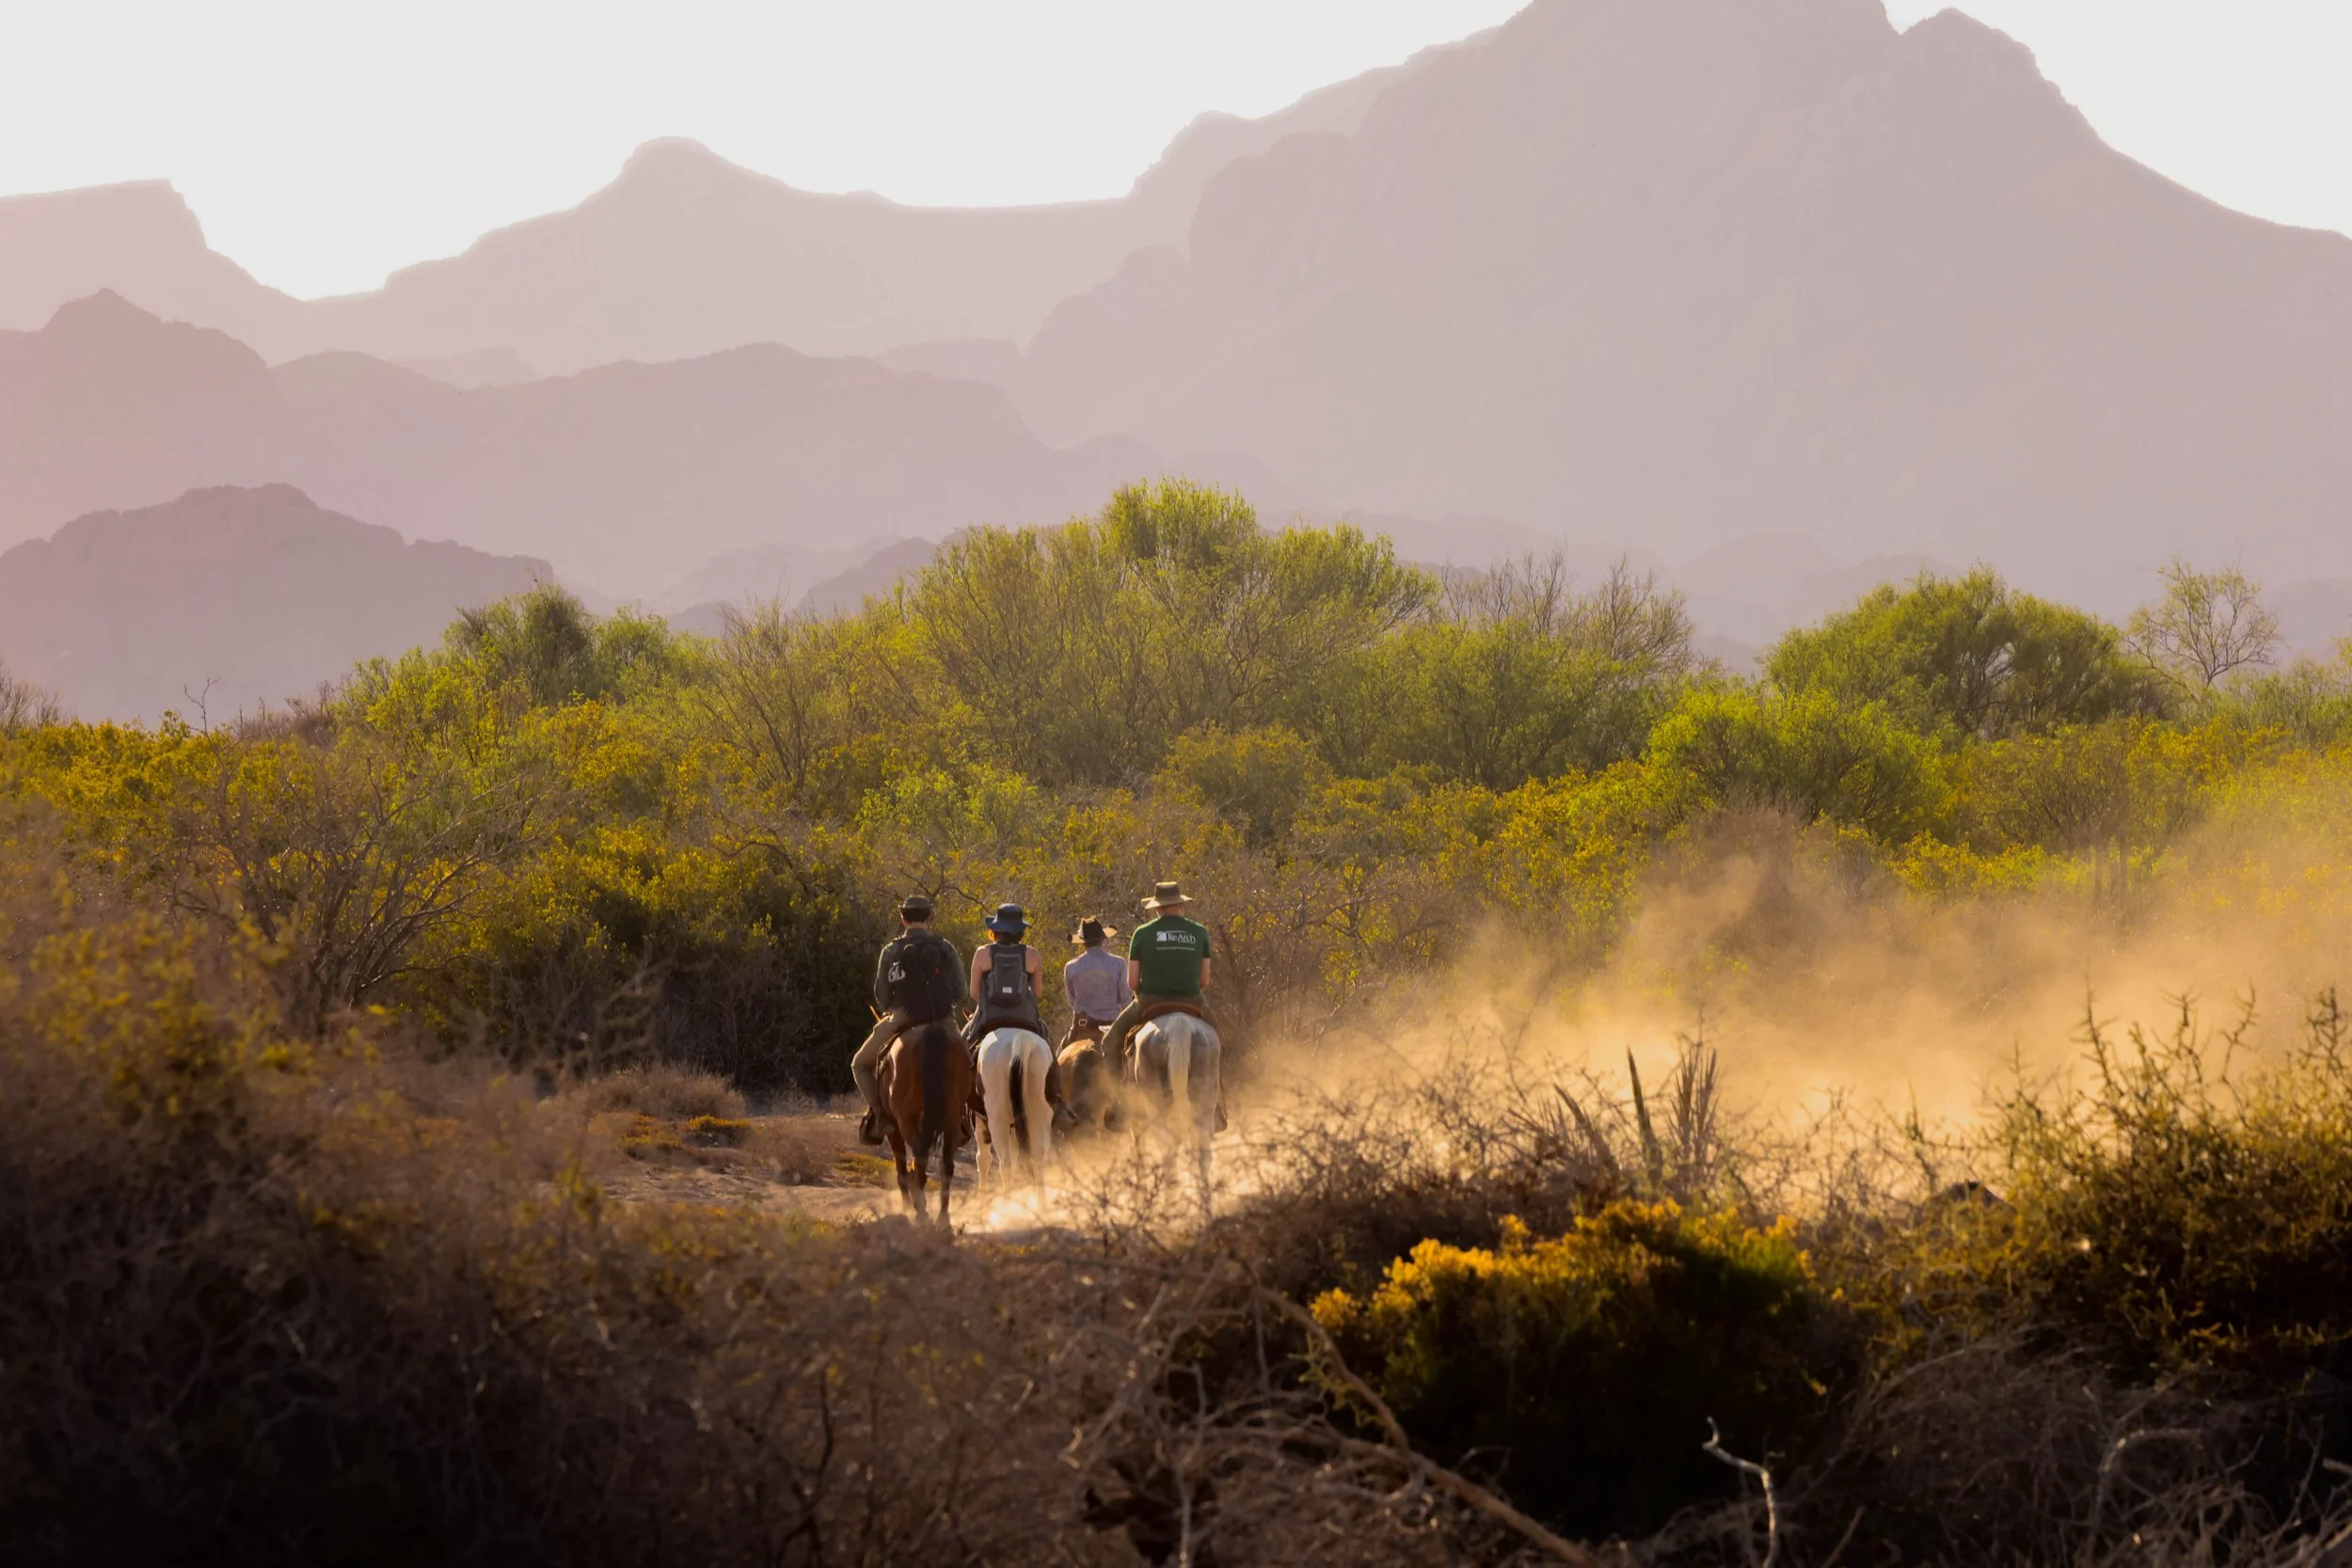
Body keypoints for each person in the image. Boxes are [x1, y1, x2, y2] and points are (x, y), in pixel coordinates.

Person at [851, 893, 967, 1146]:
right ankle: (959, 1120)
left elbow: (882, 997)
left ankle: (880, 1116)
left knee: (859, 1064)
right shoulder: (946, 947)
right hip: (943, 1018)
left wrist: (896, 1009)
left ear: (903, 919)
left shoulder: (891, 950)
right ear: (930, 918)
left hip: (903, 1016)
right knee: (967, 1064)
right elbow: (960, 990)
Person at [1098, 880, 1215, 1071]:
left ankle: (1117, 1099)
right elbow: (1204, 981)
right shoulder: (1200, 933)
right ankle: (1219, 1095)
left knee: (1110, 1042)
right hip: (1192, 1001)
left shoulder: (1142, 933)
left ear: (1157, 908)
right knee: (1221, 1041)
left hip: (1150, 1002)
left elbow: (1133, 983)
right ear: (1181, 905)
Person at [965, 902, 1046, 1043]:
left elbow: (974, 993)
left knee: (964, 1044)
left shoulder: (982, 953)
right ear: (1021, 931)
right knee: (1047, 1044)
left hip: (990, 1016)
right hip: (1025, 1017)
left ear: (996, 929)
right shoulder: (1032, 955)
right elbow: (1038, 993)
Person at [1060, 915, 1131, 1047]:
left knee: (1058, 1057)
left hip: (1083, 1026)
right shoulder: (1119, 964)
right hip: (1112, 1026)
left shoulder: (1070, 966)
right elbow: (1125, 1001)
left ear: (1083, 942)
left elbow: (1072, 1002)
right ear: (1102, 940)